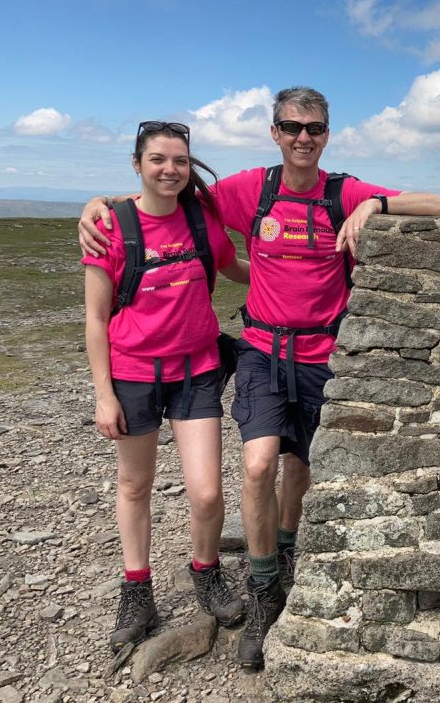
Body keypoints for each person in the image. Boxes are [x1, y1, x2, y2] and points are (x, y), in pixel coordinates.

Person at [79, 88, 440, 670]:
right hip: (260, 351)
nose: (304, 138)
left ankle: (280, 555)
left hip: (325, 354)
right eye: (291, 127)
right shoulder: (250, 189)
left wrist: (374, 206)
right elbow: (168, 194)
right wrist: (98, 204)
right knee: (257, 465)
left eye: (315, 128)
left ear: (327, 134)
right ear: (274, 132)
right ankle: (260, 591)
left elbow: (439, 206)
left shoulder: (342, 191)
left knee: (300, 467)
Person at [84, 121, 251, 653]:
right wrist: (103, 394)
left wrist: (298, 269)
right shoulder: (111, 225)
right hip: (132, 373)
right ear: (138, 164)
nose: (170, 170)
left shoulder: (203, 221)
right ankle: (138, 589)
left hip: (197, 370)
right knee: (134, 486)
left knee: (206, 491)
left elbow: (234, 270)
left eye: (179, 160)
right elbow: (93, 318)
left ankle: (206, 569)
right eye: (158, 159)